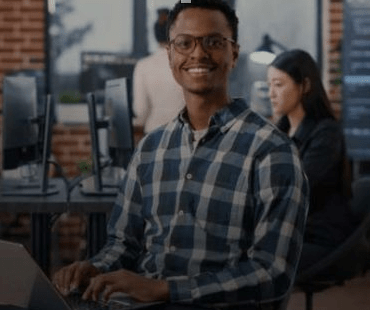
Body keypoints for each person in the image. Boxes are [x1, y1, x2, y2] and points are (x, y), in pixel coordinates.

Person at [53, 1, 309, 309]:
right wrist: (96, 268)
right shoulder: (150, 149)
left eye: (213, 42)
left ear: (234, 54)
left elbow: (273, 273)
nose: (198, 54)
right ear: (171, 54)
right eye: (184, 43)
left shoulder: (272, 152)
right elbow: (123, 244)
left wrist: (164, 290)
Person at [267, 49, 358, 273]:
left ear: (305, 86)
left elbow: (295, 189)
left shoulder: (326, 132)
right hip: (289, 234)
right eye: (269, 85)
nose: (271, 94)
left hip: (320, 237)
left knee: (252, 268)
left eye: (279, 84)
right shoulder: (280, 132)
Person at [133, 7, 185, 134]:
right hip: (185, 136)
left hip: (154, 136)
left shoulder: (143, 66)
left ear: (155, 35)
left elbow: (141, 111)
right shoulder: (189, 62)